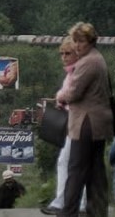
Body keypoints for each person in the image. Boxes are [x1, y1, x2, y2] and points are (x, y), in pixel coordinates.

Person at [54, 22, 113, 217]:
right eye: (75, 41)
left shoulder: (88, 62)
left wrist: (59, 96)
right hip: (98, 121)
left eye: (81, 41)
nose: (77, 45)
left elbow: (73, 92)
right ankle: (97, 209)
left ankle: (68, 211)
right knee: (95, 169)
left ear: (91, 41)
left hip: (86, 122)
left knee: (76, 168)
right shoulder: (97, 58)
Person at [43, 39, 86, 216]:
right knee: (70, 162)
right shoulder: (71, 73)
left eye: (67, 53)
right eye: (61, 53)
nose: (63, 57)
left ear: (78, 53)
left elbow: (73, 94)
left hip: (82, 122)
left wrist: (61, 96)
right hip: (75, 120)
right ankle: (73, 202)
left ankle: (67, 202)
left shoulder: (80, 72)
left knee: (71, 162)